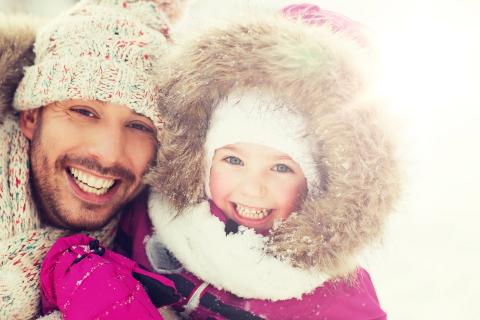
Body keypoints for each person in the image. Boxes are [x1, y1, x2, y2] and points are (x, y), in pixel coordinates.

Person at [117, 3, 400, 319]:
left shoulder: (337, 301)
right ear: (200, 156)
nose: (252, 188)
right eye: (233, 159)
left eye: (281, 167)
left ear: (324, 186)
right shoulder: (150, 216)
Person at [0, 0, 187, 318]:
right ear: (31, 116)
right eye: (84, 112)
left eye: (139, 126)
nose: (109, 153)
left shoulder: (162, 267)